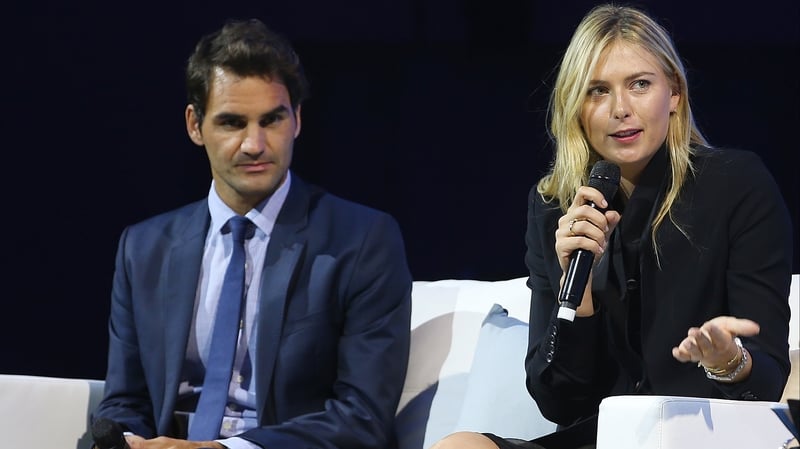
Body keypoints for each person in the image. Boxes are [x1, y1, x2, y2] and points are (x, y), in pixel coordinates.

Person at [431, 4, 793, 449]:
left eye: (640, 84)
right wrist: (578, 299)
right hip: (598, 438)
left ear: (674, 94)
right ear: (577, 109)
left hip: (703, 432)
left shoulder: (736, 185)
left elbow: (768, 379)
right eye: (598, 91)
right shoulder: (555, 208)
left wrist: (727, 361)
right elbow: (558, 402)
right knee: (461, 445)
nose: (620, 108)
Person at [91, 18, 413, 449]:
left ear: (296, 120)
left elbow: (362, 419)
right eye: (232, 123)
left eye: (272, 120)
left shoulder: (363, 240)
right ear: (194, 125)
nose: (254, 144)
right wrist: (129, 442)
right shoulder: (144, 248)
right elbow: (125, 401)